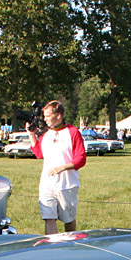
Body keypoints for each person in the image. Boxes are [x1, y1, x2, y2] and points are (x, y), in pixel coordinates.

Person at [28, 100, 86, 235]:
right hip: (47, 184)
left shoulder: (72, 132)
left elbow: (81, 158)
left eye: (48, 116)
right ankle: (52, 248)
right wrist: (31, 134)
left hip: (67, 185)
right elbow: (38, 153)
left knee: (69, 220)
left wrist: (62, 168)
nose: (45, 119)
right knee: (49, 218)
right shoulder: (46, 135)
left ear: (58, 115)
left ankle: (71, 245)